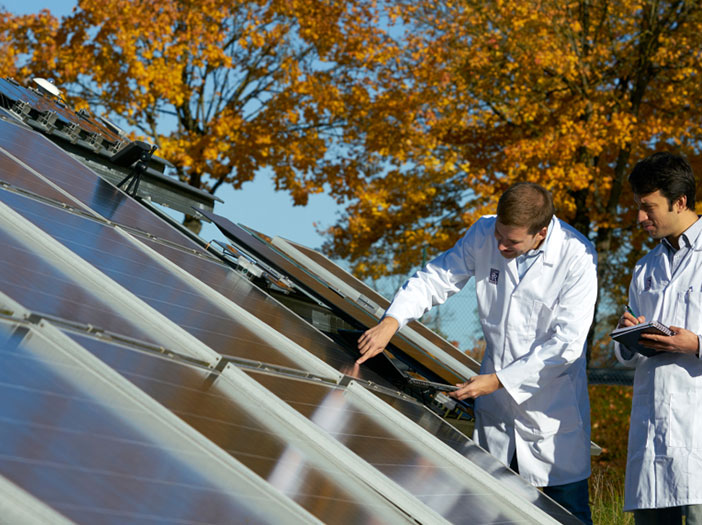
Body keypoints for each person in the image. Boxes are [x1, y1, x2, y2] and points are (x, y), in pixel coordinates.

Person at [357, 182, 597, 524]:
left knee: (568, 516)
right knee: (493, 515)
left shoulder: (577, 255)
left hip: (551, 415)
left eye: (511, 241)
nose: (500, 245)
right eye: (499, 234)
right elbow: (436, 278)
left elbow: (567, 344)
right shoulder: (484, 233)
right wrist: (392, 321)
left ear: (541, 233)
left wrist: (498, 381)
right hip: (497, 414)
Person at [614, 151, 702, 525]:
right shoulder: (645, 267)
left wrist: (695, 345)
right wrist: (627, 333)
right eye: (638, 206)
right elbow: (626, 353)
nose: (640, 217)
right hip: (652, 429)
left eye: (648, 207)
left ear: (679, 202)